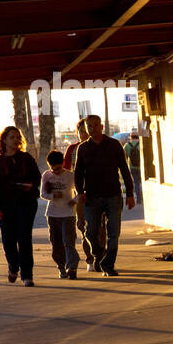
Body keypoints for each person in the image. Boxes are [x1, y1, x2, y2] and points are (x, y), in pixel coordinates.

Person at [73, 114, 135, 276]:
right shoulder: (83, 148)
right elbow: (78, 173)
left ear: (102, 126)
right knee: (91, 232)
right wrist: (80, 192)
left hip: (113, 195)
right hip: (91, 197)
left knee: (114, 232)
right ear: (86, 129)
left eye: (95, 125)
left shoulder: (114, 145)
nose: (92, 129)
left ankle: (108, 264)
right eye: (89, 126)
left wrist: (130, 193)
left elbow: (124, 169)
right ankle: (98, 254)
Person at [0, 126, 41, 286]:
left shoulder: (26, 158)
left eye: (18, 137)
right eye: (12, 137)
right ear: (4, 140)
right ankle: (13, 266)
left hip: (26, 203)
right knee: (8, 239)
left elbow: (37, 178)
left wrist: (30, 186)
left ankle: (27, 275)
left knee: (24, 238)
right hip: (4, 206)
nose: (16, 140)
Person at [64, 118, 104, 268]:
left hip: (100, 192)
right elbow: (66, 172)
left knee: (101, 228)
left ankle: (101, 256)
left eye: (86, 130)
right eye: (81, 131)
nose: (85, 134)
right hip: (80, 195)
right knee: (84, 226)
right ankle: (90, 258)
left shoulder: (101, 146)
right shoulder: (72, 149)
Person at [41, 150, 80, 279]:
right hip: (52, 214)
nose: (55, 171)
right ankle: (61, 266)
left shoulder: (71, 176)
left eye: (58, 168)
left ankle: (72, 267)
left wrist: (74, 201)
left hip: (68, 214)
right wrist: (53, 195)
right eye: (53, 169)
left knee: (68, 241)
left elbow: (81, 192)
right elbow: (43, 194)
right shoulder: (46, 175)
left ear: (63, 163)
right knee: (56, 242)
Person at [124, 132, 143, 201]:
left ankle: (138, 198)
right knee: (142, 182)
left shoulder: (127, 145)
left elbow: (124, 157)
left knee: (136, 182)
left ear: (130, 137)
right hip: (141, 167)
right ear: (137, 137)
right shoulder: (141, 144)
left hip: (132, 167)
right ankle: (144, 196)